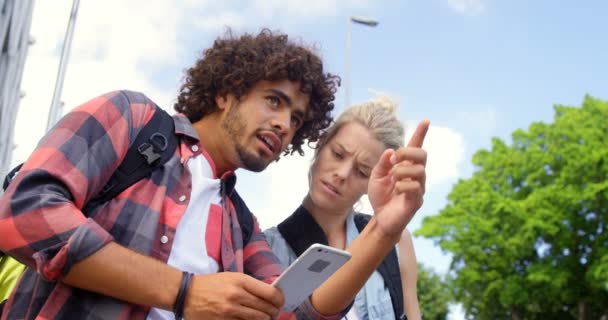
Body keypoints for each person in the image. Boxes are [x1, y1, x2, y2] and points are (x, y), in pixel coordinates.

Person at [0, 29, 428, 320]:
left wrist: (384, 230)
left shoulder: (241, 226)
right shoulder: (131, 117)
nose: (284, 125)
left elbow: (294, 312)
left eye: (296, 119)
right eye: (274, 101)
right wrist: (184, 292)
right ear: (226, 90)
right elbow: (22, 214)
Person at [265, 98, 423, 320]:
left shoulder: (397, 242)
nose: (342, 174)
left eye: (362, 171)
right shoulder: (265, 247)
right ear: (321, 144)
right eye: (338, 154)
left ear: (377, 181)